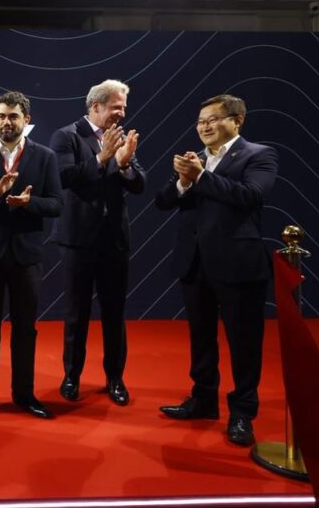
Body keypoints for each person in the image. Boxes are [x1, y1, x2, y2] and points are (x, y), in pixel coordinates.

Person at [155, 94, 279, 447]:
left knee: (244, 342)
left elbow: (250, 196)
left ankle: (242, 412)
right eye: (200, 121)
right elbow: (163, 201)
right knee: (201, 336)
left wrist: (200, 177)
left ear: (237, 121)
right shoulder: (196, 159)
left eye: (212, 119)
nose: (204, 126)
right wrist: (184, 181)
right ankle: (204, 399)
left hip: (238, 263)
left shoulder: (259, 155)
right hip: (194, 263)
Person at [0, 91, 63, 421]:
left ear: (27, 120)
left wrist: (28, 203)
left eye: (13, 116)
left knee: (25, 328)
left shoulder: (45, 157)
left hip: (27, 255)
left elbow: (57, 204)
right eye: (1, 116)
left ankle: (24, 394)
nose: (6, 122)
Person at [50, 79, 145, 407]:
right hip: (78, 240)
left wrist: (124, 163)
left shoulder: (121, 138)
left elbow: (139, 184)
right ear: (96, 106)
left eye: (124, 108)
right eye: (117, 107)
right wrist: (102, 158)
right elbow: (64, 177)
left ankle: (115, 378)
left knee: (114, 313)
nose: (122, 114)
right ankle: (71, 376)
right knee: (76, 313)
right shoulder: (67, 136)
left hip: (114, 241)